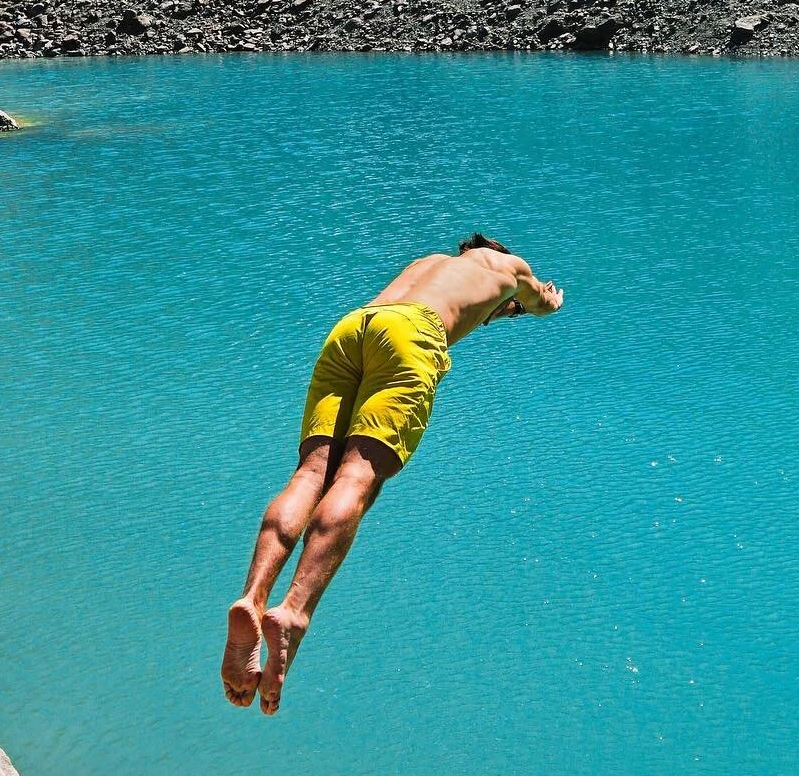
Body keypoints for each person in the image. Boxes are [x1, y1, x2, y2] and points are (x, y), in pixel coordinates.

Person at [221, 235, 564, 715]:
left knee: (310, 474)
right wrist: (545, 299)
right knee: (355, 480)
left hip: (355, 325)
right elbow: (538, 302)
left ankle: (253, 600)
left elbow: (463, 301)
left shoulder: (429, 263)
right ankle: (292, 612)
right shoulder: (510, 266)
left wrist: (495, 311)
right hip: (412, 338)